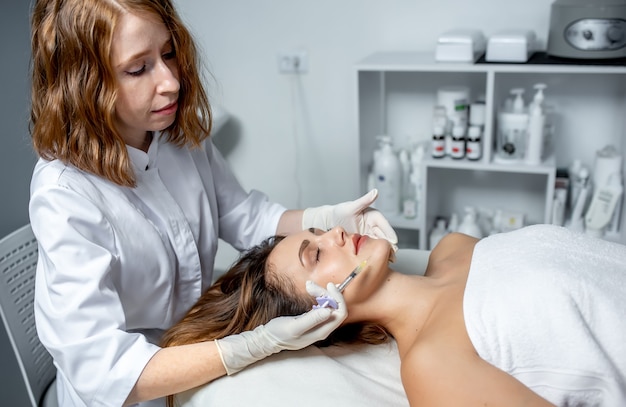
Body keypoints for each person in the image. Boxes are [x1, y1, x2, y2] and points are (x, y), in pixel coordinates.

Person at [27, 1, 398, 406]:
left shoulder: (174, 134)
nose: (170, 81)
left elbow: (244, 216)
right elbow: (106, 371)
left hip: (201, 348)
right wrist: (251, 346)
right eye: (138, 68)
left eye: (168, 53)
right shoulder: (65, 195)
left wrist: (327, 216)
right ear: (84, 82)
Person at [162, 224, 626, 406]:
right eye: (316, 254)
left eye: (322, 231)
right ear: (319, 315)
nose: (339, 233)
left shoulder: (453, 247)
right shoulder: (432, 366)